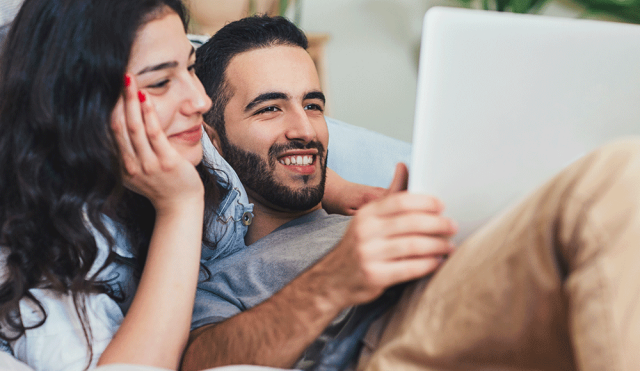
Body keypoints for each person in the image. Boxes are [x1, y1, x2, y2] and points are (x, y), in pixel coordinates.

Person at [183, 15, 640, 371]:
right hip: (391, 341)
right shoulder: (218, 277)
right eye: (270, 108)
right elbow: (199, 363)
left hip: (499, 297)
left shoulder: (358, 213)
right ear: (213, 137)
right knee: (620, 172)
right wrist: (337, 278)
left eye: (313, 105)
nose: (304, 130)